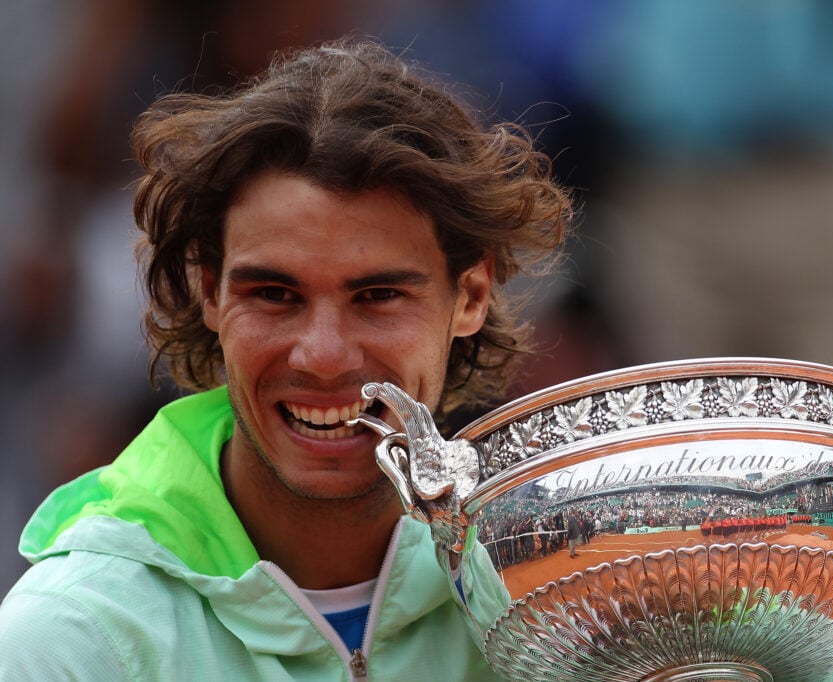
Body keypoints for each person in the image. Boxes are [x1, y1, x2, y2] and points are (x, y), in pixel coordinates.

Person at [0, 36, 574, 680]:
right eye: (273, 294)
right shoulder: (71, 641)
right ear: (206, 291)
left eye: (378, 295)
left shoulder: (566, 596)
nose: (324, 357)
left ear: (469, 295)